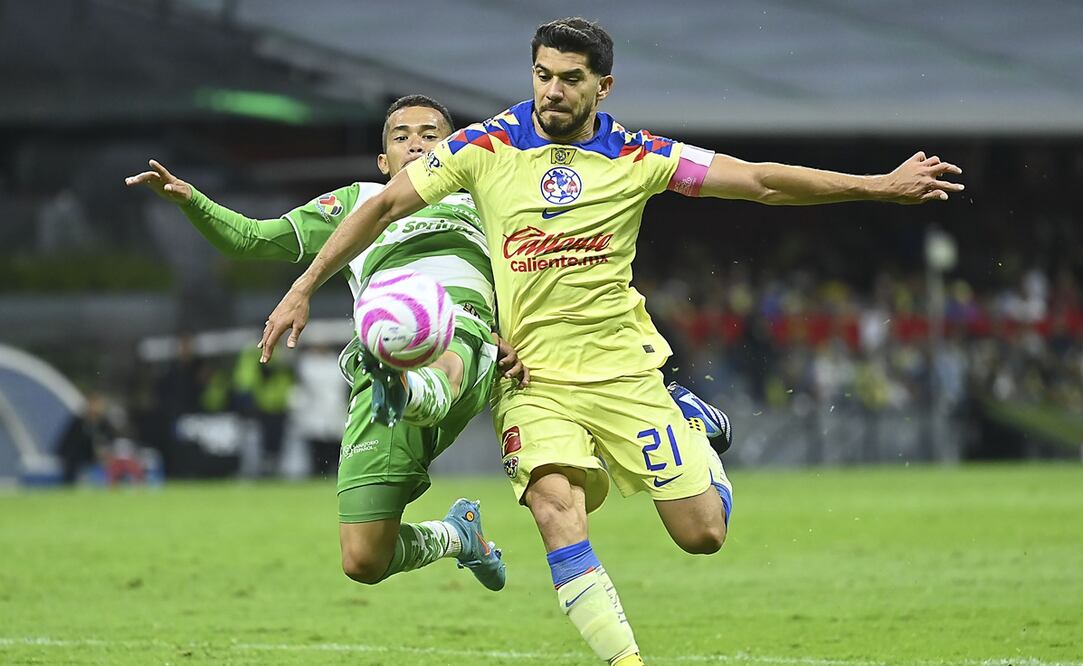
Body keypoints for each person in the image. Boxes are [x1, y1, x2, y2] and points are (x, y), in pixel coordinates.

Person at [259, 17, 964, 663]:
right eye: (542, 75)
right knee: (552, 507)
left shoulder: (638, 155)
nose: (552, 91)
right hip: (533, 380)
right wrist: (300, 287)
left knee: (700, 535)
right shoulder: (487, 145)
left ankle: (688, 419)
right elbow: (383, 204)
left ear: (603, 84)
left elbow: (756, 182)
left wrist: (876, 185)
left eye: (569, 79)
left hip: (625, 372)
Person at [126, 95, 520, 591]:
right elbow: (253, 239)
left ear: (455, 148)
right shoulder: (359, 204)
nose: (416, 144)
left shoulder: (484, 198)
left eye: (430, 134)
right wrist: (192, 201)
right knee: (363, 559)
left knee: (444, 361)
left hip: (463, 334)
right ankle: (458, 537)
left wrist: (517, 331)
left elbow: (533, 271)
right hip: (376, 357)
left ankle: (407, 386)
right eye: (401, 136)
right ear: (383, 161)